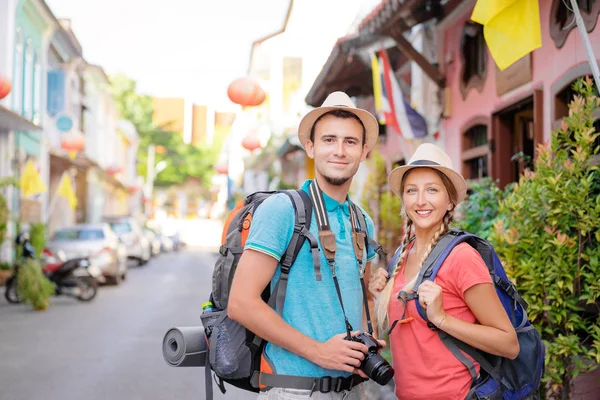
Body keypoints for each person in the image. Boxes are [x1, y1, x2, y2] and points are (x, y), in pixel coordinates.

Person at [228, 91, 383, 399]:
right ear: (310, 147)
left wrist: (370, 338)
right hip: (294, 391)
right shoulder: (282, 210)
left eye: (350, 142)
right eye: (329, 140)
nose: (339, 150)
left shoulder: (362, 221)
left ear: (364, 151)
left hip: (354, 390)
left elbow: (360, 296)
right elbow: (241, 303)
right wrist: (319, 352)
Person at [369, 143, 520, 400]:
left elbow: (509, 344)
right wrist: (375, 298)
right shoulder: (401, 256)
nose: (420, 201)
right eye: (411, 191)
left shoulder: (461, 258)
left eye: (432, 190)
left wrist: (442, 319)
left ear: (450, 202)